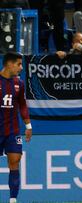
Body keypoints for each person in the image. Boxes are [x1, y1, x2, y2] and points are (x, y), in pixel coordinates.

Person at [0, 52, 32, 203]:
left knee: (15, 160)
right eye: (18, 64)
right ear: (9, 64)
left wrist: (28, 125)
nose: (21, 68)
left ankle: (13, 200)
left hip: (13, 131)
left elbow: (23, 105)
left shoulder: (19, 84)